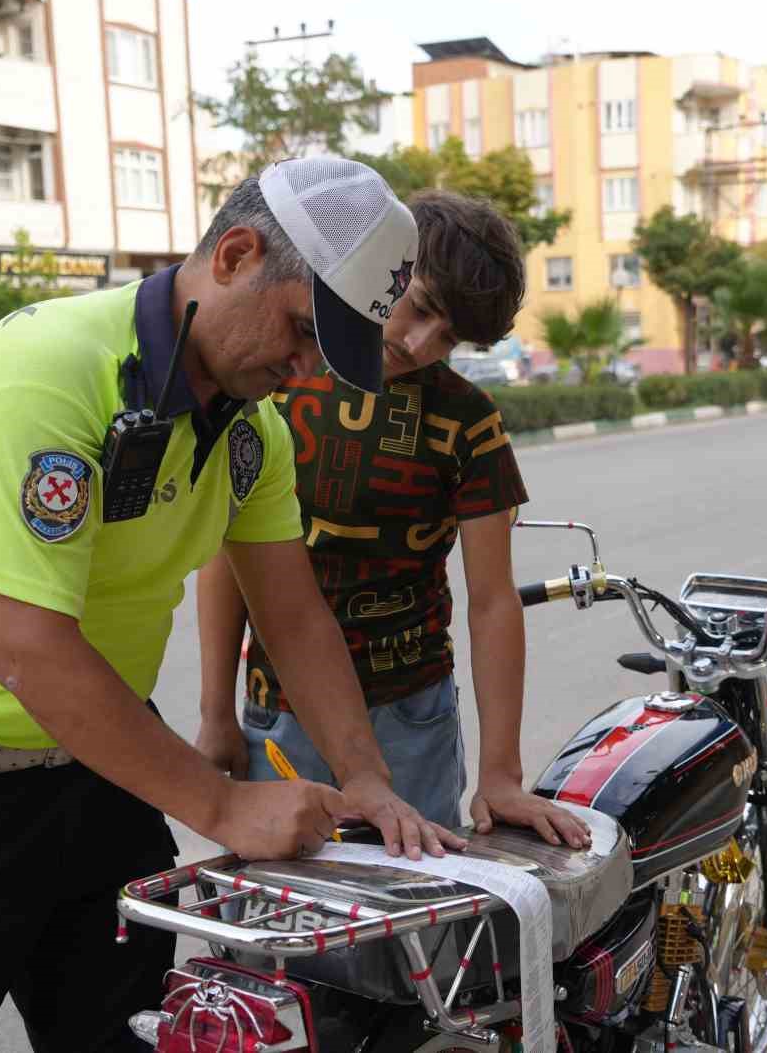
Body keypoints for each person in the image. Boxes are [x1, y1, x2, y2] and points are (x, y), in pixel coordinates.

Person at [0, 158, 462, 1053]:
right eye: (302, 334)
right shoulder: (51, 370)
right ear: (234, 255)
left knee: (128, 1036)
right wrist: (225, 807)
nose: (304, 371)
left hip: (99, 768)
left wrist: (365, 777)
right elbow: (29, 651)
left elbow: (296, 615)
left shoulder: (249, 430)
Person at [195, 190, 591, 849]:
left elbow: (492, 602)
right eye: (423, 308)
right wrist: (215, 715)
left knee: (419, 930)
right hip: (282, 712)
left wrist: (501, 775)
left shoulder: (469, 420)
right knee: (281, 929)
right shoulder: (281, 376)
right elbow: (227, 560)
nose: (419, 343)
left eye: (451, 337)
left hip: (412, 720)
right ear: (388, 265)